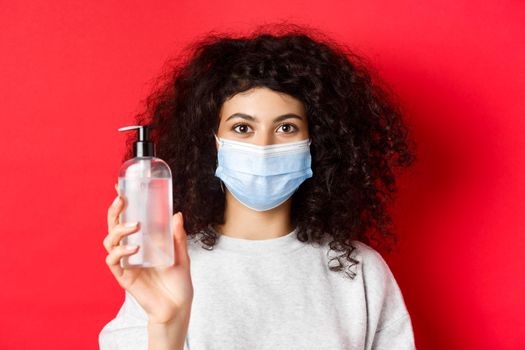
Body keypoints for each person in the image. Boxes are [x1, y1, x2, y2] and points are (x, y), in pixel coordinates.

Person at [99, 23, 417, 350]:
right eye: (242, 127)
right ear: (214, 142)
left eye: (286, 127)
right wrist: (169, 323)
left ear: (315, 142)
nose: (263, 145)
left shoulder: (360, 271)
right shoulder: (166, 268)